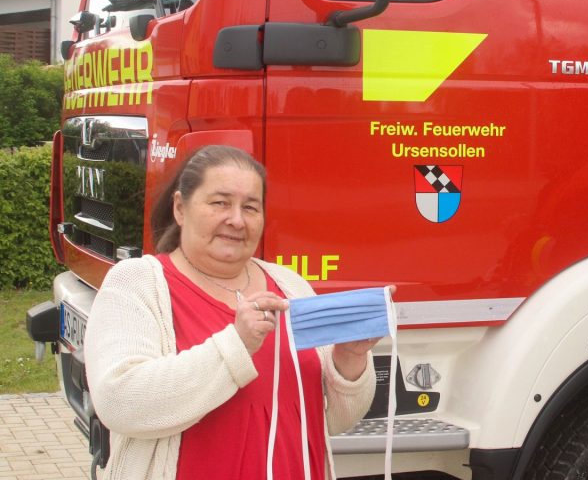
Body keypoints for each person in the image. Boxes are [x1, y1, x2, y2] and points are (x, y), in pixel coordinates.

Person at [84, 145, 378, 479]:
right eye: (220, 203)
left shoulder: (290, 285)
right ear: (180, 208)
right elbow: (120, 403)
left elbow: (333, 419)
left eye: (250, 207)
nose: (236, 220)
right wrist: (236, 345)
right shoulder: (138, 283)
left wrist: (349, 362)